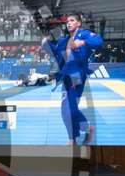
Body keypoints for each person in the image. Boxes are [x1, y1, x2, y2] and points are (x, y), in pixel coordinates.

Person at [43, 13, 103, 145]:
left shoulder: (84, 35)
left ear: (79, 23)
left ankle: (87, 128)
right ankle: (73, 139)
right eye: (67, 21)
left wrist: (82, 42)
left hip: (76, 77)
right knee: (65, 111)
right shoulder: (64, 41)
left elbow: (99, 41)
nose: (68, 23)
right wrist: (46, 45)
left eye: (72, 20)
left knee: (71, 108)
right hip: (65, 78)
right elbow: (55, 52)